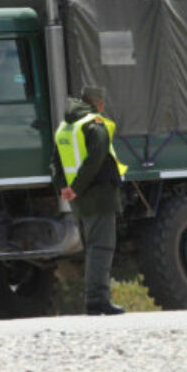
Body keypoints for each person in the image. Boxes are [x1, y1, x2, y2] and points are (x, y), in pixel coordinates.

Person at [51, 86, 128, 316]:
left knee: (92, 249)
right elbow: (96, 158)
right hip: (99, 197)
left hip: (79, 201)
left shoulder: (66, 126)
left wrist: (63, 188)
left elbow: (55, 162)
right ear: (99, 104)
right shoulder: (95, 123)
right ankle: (97, 300)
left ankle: (95, 298)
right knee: (101, 248)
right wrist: (75, 188)